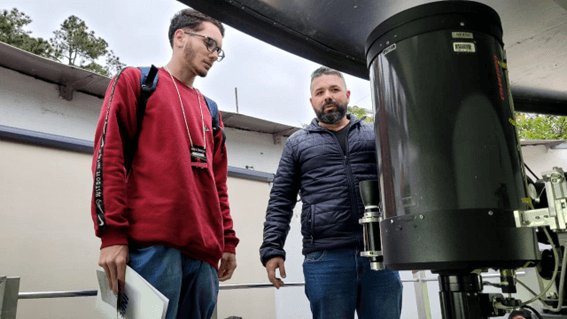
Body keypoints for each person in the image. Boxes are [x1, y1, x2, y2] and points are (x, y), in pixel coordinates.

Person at [91, 9, 239, 319]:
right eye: (210, 43)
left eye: (219, 50)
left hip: (204, 255)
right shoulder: (139, 82)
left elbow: (218, 185)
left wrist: (227, 241)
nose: (214, 55)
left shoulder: (210, 111)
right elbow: (109, 157)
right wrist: (112, 235)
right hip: (152, 249)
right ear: (180, 36)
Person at [260, 66, 403, 319]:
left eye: (334, 89)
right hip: (325, 259)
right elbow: (281, 199)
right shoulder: (297, 143)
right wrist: (272, 249)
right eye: (320, 92)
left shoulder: (374, 135)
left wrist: (413, 245)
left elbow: (400, 185)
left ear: (347, 94)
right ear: (312, 100)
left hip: (380, 254)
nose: (328, 96)